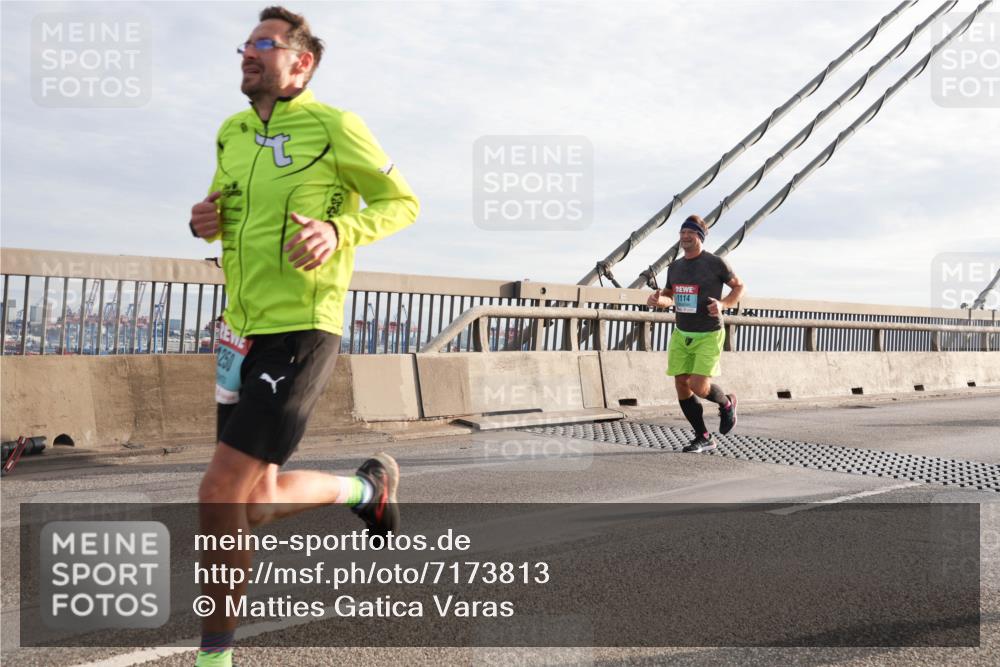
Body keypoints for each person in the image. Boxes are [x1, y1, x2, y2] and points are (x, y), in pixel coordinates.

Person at [187, 7, 419, 666]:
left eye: (263, 44)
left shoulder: (335, 126)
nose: (247, 55)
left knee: (218, 491)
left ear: (301, 61)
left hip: (302, 329)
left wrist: (338, 230)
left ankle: (214, 660)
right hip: (239, 333)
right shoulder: (231, 132)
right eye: (245, 45)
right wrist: (205, 219)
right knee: (252, 502)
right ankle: (366, 491)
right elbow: (221, 214)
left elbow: (402, 201)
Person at [646, 215, 744, 452]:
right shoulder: (676, 267)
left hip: (709, 332)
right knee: (681, 383)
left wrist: (723, 304)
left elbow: (739, 286)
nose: (685, 237)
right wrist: (660, 301)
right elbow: (671, 294)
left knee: (699, 385)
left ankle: (727, 403)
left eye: (690, 233)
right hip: (682, 333)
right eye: (682, 233)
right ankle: (703, 437)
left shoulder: (716, 263)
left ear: (699, 236)